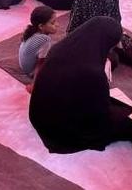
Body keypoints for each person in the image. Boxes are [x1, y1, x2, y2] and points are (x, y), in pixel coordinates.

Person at [29, 17, 124, 153]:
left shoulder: (59, 48)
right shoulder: (93, 71)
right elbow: (101, 112)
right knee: (128, 119)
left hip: (38, 116)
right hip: (61, 131)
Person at [18, 6, 57, 77]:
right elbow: (40, 64)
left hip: (24, 67)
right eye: (53, 23)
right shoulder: (45, 39)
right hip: (31, 71)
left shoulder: (32, 31)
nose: (57, 25)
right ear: (41, 26)